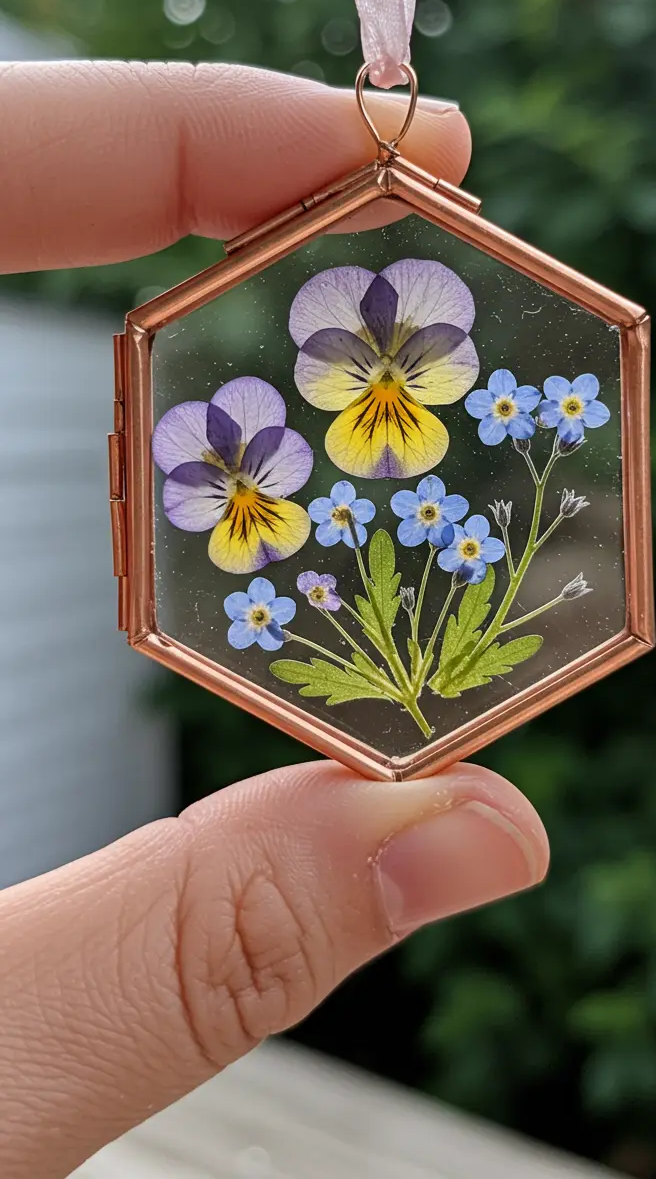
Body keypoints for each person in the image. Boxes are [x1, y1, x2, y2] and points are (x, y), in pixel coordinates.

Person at [0, 62, 549, 1179]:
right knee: (362, 551)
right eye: (372, 372)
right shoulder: (291, 466)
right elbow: (273, 463)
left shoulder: (333, 425)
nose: (386, 381)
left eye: (402, 372)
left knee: (394, 546)